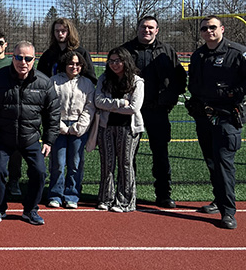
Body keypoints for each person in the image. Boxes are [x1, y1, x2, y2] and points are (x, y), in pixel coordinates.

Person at [0, 41, 59, 225]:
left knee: (39, 172)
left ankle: (30, 210)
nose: (23, 62)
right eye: (19, 57)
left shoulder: (44, 83)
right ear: (12, 57)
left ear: (33, 60)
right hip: (2, 138)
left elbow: (53, 113)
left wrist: (48, 140)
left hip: (30, 138)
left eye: (28, 58)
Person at [187, 15, 246, 229]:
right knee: (212, 162)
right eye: (204, 29)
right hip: (204, 116)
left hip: (227, 116)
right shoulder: (198, 55)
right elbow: (194, 82)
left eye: (212, 27)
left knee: (224, 163)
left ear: (222, 28)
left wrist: (232, 94)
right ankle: (218, 199)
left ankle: (228, 212)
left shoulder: (238, 52)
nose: (208, 31)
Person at [121, 16, 186, 209]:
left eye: (151, 28)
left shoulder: (166, 51)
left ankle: (164, 194)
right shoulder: (126, 50)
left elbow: (180, 77)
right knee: (128, 155)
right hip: (131, 112)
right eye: (143, 27)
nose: (147, 31)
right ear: (138, 28)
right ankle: (127, 194)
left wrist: (170, 99)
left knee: (160, 154)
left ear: (157, 30)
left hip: (158, 111)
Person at [95, 47, 144, 213]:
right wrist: (119, 104)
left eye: (118, 61)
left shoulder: (137, 81)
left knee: (125, 163)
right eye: (111, 61)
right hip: (106, 126)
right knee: (107, 163)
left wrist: (111, 106)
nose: (114, 64)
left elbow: (134, 108)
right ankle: (106, 198)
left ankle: (126, 201)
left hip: (128, 129)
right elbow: (98, 101)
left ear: (126, 61)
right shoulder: (104, 78)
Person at [46, 51, 95, 209]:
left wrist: (79, 126)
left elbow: (89, 107)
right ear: (65, 65)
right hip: (58, 126)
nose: (74, 67)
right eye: (71, 63)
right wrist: (59, 125)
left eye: (78, 64)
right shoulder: (54, 81)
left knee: (75, 163)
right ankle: (55, 194)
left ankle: (72, 194)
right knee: (58, 163)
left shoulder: (87, 83)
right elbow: (49, 105)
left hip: (78, 126)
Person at [0, 31, 22, 196]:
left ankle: (14, 181)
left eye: (0, 42)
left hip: (11, 113)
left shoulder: (12, 62)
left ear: (6, 44)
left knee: (15, 150)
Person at [37, 18, 97, 84]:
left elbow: (91, 78)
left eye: (63, 31)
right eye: (57, 31)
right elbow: (40, 78)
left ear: (69, 32)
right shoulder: (48, 55)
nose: (60, 34)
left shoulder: (81, 53)